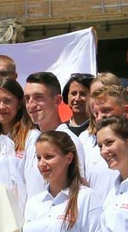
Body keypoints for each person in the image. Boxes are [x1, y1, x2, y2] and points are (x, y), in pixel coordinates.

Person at [22, 72, 86, 200]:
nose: (31, 105)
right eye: (27, 98)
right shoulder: (32, 141)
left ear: (57, 101)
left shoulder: (70, 141)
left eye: (38, 97)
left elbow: (78, 189)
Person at [0, 77, 38, 214]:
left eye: (7, 101)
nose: (1, 107)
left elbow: (35, 187)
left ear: (19, 104)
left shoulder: (32, 137)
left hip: (21, 221)